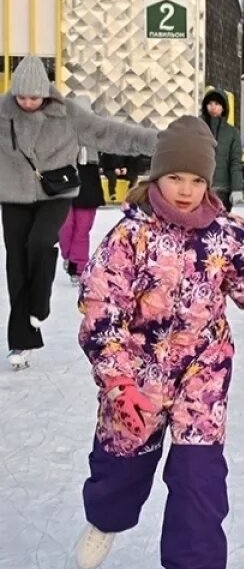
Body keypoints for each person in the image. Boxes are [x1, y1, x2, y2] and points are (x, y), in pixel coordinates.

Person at [73, 116, 244, 569]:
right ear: (156, 176)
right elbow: (101, 306)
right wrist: (119, 378)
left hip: (202, 369)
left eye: (196, 180)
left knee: (199, 469)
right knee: (122, 463)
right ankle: (104, 520)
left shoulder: (227, 235)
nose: (185, 190)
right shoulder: (130, 237)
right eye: (175, 178)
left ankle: (196, 567)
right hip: (138, 370)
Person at [0, 56, 157, 371]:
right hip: (12, 196)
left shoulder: (68, 114)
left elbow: (108, 133)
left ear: (46, 92)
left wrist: (156, 142)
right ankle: (21, 339)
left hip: (55, 194)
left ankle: (40, 304)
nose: (28, 102)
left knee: (41, 242)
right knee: (16, 263)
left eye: (34, 96)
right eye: (22, 96)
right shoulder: (3, 115)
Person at [58, 143, 104, 285]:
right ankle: (69, 256)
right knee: (65, 226)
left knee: (82, 229)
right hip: (62, 170)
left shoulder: (93, 124)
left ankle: (78, 268)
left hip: (88, 173)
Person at [200, 90, 243, 212]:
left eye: (217, 104)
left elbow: (235, 162)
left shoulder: (232, 133)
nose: (213, 107)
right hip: (200, 187)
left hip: (223, 188)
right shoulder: (198, 128)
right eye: (210, 103)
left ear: (224, 108)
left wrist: (236, 188)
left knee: (220, 225)